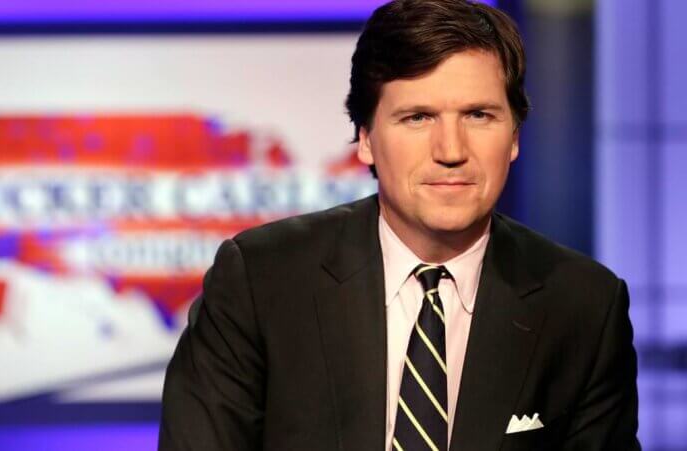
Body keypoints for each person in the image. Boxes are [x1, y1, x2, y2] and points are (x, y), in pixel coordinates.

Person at [158, 0, 640, 450]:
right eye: (417, 117)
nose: (451, 151)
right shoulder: (259, 280)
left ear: (514, 136)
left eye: (478, 115)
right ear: (365, 139)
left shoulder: (584, 305)